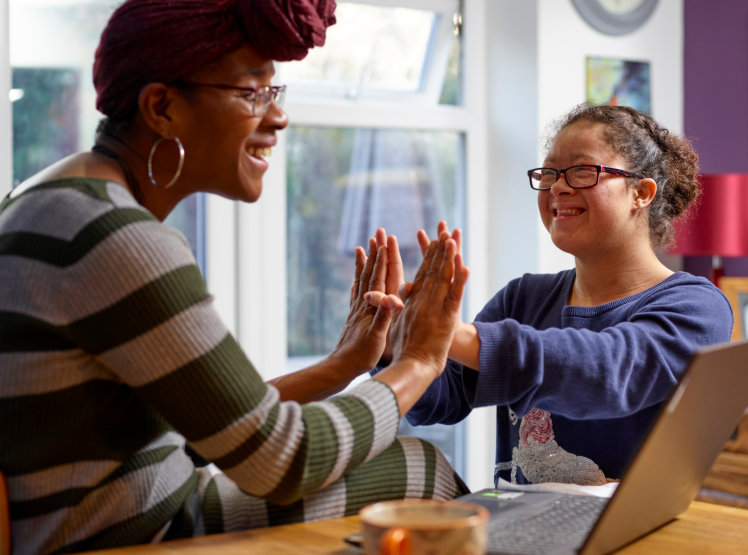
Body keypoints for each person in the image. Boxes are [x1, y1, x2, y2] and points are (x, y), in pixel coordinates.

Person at [0, 1, 470, 553]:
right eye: (251, 92)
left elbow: (214, 430)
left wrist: (341, 367)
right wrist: (420, 361)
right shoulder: (114, 237)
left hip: (125, 511)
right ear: (162, 107)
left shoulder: (48, 201)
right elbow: (285, 460)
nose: (278, 117)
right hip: (138, 534)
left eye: (274, 92)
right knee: (421, 468)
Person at [371, 104, 734, 486]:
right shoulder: (522, 298)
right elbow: (440, 403)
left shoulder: (698, 308)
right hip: (523, 519)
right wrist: (396, 341)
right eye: (549, 174)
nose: (558, 187)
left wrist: (449, 333)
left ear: (640, 193)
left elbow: (607, 371)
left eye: (582, 171)